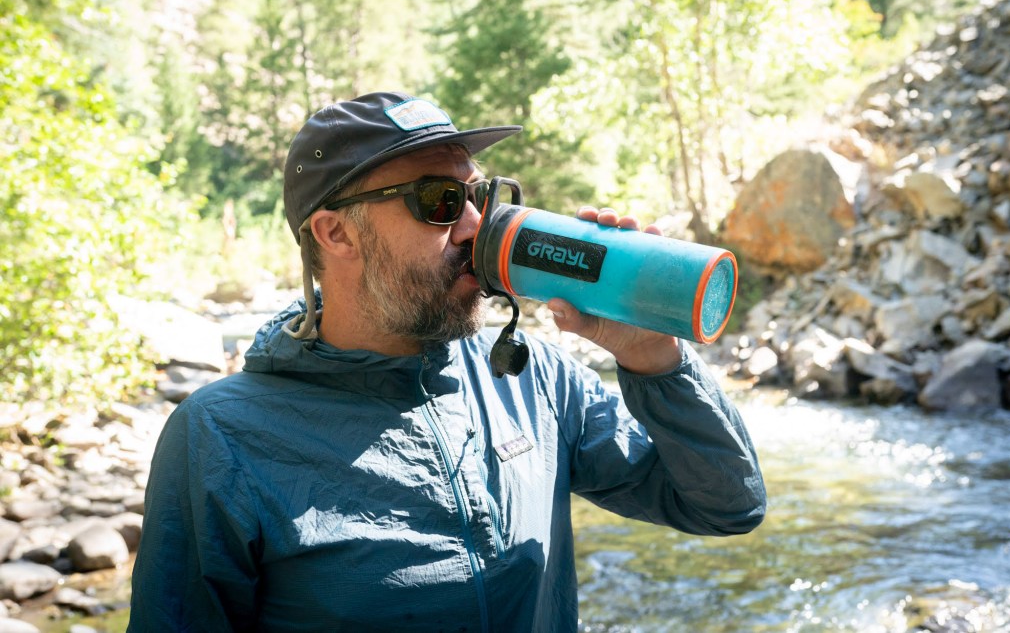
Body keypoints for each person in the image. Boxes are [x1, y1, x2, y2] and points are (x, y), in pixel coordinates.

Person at [128, 91, 766, 632]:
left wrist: (654, 358)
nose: (471, 226)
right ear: (335, 233)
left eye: (477, 195)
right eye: (437, 200)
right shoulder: (221, 437)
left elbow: (726, 506)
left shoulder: (534, 379)